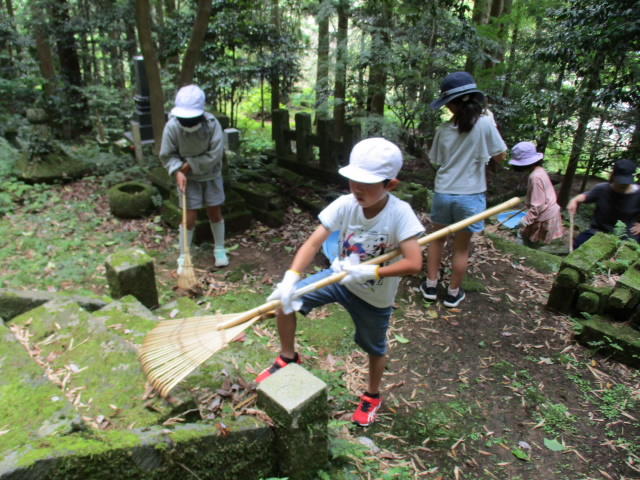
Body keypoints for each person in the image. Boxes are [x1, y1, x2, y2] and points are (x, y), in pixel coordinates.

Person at [257, 138, 425, 427]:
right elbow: (312, 244)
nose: (357, 188)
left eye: (367, 183)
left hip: (374, 296)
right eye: (352, 180)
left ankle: (372, 394)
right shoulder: (346, 204)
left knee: (375, 347)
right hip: (339, 279)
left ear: (391, 185)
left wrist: (373, 273)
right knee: (284, 301)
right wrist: (290, 278)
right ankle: (287, 357)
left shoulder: (400, 214)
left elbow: (414, 263)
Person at [420, 72, 507, 308]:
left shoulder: (444, 129)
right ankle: (453, 293)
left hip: (444, 192)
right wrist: (491, 126)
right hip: (471, 195)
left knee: (437, 240)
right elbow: (500, 157)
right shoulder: (486, 124)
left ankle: (430, 286)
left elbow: (437, 160)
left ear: (453, 104)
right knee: (461, 247)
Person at [159, 85, 229, 271]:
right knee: (189, 217)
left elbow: (215, 154)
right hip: (188, 178)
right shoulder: (172, 126)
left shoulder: (212, 124)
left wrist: (190, 164)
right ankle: (184, 255)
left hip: (211, 174)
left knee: (215, 212)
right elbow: (167, 155)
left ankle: (220, 249)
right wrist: (178, 171)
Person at [567, 158, 640, 249]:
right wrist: (574, 200)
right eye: (620, 181)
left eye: (626, 182)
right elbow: (586, 196)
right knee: (577, 246)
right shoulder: (602, 189)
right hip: (598, 232)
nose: (623, 184)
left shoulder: (638, 193)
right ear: (613, 176)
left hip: (626, 237)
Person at [508, 141, 564, 246]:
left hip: (545, 215)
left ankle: (521, 259)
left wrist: (525, 221)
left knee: (524, 238)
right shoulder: (540, 171)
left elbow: (538, 205)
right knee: (533, 241)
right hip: (550, 212)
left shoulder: (535, 177)